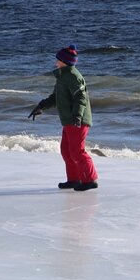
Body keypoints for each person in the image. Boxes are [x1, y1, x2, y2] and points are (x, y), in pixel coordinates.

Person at [28, 45, 98, 191]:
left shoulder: (73, 76)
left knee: (77, 151)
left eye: (58, 60)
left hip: (77, 120)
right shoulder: (62, 76)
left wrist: (78, 115)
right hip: (68, 120)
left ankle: (90, 180)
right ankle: (74, 179)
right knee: (66, 150)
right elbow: (55, 97)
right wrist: (40, 106)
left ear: (64, 61)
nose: (56, 62)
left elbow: (81, 98)